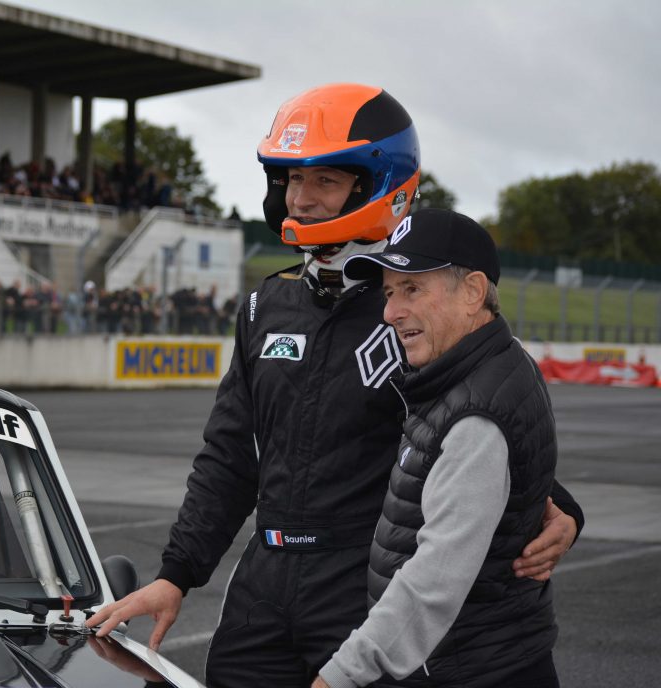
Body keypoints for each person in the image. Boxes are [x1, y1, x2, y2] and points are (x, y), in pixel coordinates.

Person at [86, 84, 584, 687]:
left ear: (379, 182)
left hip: (365, 586)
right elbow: (229, 455)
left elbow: (480, 424)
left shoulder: (421, 312)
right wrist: (176, 573)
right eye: (291, 180)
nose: (301, 198)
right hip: (264, 584)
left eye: (324, 181)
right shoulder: (264, 305)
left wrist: (559, 507)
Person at [312, 209, 561, 688]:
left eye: (411, 289)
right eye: (388, 293)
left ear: (471, 293)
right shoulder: (480, 372)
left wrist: (340, 676)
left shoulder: (476, 413)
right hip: (478, 659)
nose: (390, 312)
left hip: (471, 670)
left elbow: (435, 578)